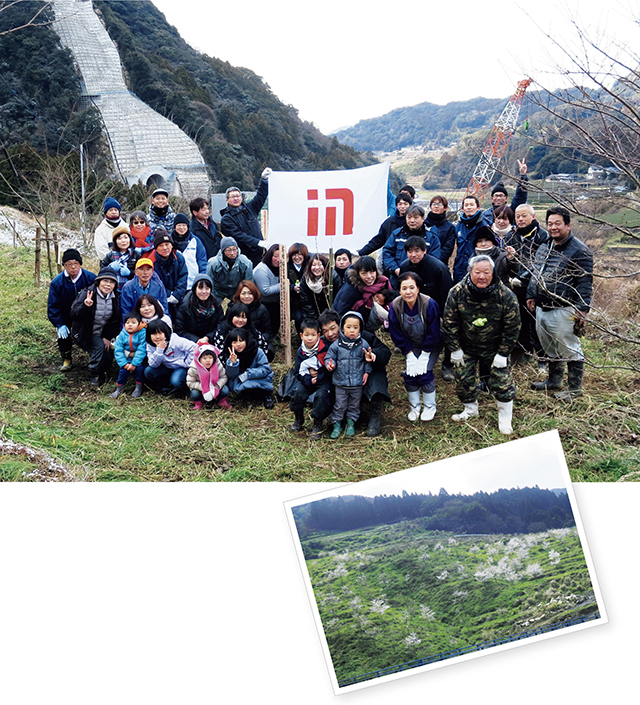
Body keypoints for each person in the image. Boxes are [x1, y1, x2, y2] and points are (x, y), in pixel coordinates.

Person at [442, 255, 521, 435]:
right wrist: (455, 349)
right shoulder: (457, 292)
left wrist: (503, 353)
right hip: (466, 347)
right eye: (477, 272)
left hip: (494, 348)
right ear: (470, 272)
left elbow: (513, 327)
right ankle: (470, 409)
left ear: (493, 273)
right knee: (463, 381)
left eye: (486, 272)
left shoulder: (506, 295)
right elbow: (449, 322)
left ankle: (505, 417)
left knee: (502, 383)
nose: (482, 276)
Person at [526, 206, 593, 400]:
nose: (553, 227)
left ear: (568, 225)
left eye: (558, 223)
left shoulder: (580, 251)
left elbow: (584, 283)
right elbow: (536, 273)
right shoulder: (545, 246)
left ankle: (574, 388)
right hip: (542, 306)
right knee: (550, 347)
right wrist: (532, 294)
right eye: (550, 224)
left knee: (569, 348)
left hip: (564, 307)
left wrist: (582, 310)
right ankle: (554, 381)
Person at [318, 308, 392, 438]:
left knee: (374, 384)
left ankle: (373, 416)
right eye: (325, 331)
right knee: (334, 400)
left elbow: (385, 351)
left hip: (360, 378)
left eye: (333, 328)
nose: (330, 334)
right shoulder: (328, 343)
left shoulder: (363, 338)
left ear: (339, 325)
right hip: (340, 381)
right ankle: (332, 422)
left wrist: (373, 356)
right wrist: (329, 366)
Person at [388, 272, 442, 421]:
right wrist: (409, 354)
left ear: (418, 288)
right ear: (399, 290)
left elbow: (435, 331)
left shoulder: (429, 304)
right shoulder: (396, 306)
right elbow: (396, 333)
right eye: (404, 288)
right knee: (410, 374)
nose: (408, 292)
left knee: (424, 372)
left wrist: (425, 354)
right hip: (411, 344)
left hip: (432, 344)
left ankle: (430, 406)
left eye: (412, 287)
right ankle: (415, 406)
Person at [504, 204, 550, 362]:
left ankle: (542, 357)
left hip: (536, 286)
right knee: (518, 321)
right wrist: (511, 260)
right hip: (514, 287)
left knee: (537, 324)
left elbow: (540, 263)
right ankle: (522, 354)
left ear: (533, 216)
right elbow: (507, 264)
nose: (520, 219)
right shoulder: (511, 236)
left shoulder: (543, 236)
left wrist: (522, 277)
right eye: (517, 216)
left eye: (524, 215)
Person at [324, 311, 375, 439]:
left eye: (355, 327)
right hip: (340, 382)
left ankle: (351, 424)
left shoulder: (363, 344)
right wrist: (330, 365)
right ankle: (337, 425)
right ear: (342, 328)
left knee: (354, 404)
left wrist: (367, 372)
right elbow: (329, 358)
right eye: (348, 327)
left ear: (360, 329)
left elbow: (367, 360)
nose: (352, 330)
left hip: (357, 382)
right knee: (339, 404)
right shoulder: (337, 345)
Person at [70, 268, 121, 386]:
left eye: (112, 282)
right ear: (98, 282)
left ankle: (105, 372)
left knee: (108, 351)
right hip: (85, 332)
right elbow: (73, 314)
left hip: (102, 332)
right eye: (105, 281)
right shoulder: (87, 294)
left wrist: (108, 336)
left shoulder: (116, 297)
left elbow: (116, 320)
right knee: (100, 347)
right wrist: (85, 306)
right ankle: (95, 373)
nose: (108, 285)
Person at [47, 248, 96, 371]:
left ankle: (92, 355)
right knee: (63, 336)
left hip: (85, 313)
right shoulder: (57, 282)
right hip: (66, 315)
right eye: (69, 264)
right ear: (64, 266)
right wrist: (59, 324)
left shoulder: (90, 278)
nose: (73, 267)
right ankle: (67, 358)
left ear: (80, 264)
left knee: (90, 333)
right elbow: (53, 306)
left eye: (76, 264)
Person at [219, 168, 272, 266]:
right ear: (227, 200)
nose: (236, 198)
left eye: (238, 196)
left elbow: (260, 196)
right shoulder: (227, 219)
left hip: (260, 255)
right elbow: (239, 236)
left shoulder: (250, 208)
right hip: (242, 259)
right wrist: (257, 242)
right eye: (233, 197)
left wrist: (264, 181)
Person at [382, 204, 442, 286]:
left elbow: (435, 259)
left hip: (423, 281)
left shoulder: (431, 238)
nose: (412, 220)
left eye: (416, 217)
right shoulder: (397, 235)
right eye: (409, 217)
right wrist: (395, 269)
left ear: (423, 219)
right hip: (398, 280)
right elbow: (387, 252)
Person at [289, 318, 330, 433]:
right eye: (307, 335)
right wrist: (308, 380)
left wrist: (318, 375)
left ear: (318, 334)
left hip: (323, 381)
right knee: (297, 393)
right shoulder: (301, 351)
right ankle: (298, 419)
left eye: (313, 334)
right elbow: (297, 372)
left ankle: (318, 423)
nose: (310, 338)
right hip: (307, 380)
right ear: (301, 336)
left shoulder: (324, 348)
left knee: (321, 396)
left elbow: (329, 368)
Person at [222, 328, 275, 408]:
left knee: (259, 388)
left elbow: (266, 369)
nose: (238, 344)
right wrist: (233, 363)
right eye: (235, 342)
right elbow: (231, 375)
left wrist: (248, 374)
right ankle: (244, 396)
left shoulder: (257, 351)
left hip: (257, 378)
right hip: (240, 381)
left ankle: (266, 397)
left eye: (241, 341)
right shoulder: (229, 354)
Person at [332, 256, 392, 326]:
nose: (369, 276)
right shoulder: (351, 290)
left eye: (372, 272)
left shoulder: (381, 283)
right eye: (364, 273)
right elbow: (340, 315)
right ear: (358, 274)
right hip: (349, 325)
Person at [144, 319, 197, 396]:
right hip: (167, 367)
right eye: (154, 334)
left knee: (176, 381)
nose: (158, 336)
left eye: (160, 333)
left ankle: (182, 390)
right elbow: (153, 364)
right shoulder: (150, 345)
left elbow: (194, 348)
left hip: (181, 367)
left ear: (165, 332)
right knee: (149, 371)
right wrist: (159, 350)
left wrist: (187, 363)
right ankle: (167, 387)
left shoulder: (176, 340)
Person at [357, 192, 413, 257]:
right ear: (397, 206)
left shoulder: (414, 223)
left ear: (410, 205)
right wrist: (361, 253)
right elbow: (378, 241)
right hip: (391, 258)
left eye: (405, 204)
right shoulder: (389, 222)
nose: (402, 206)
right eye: (400, 204)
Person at [174, 274, 224, 345]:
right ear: (195, 289)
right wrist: (197, 340)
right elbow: (180, 330)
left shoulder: (216, 305)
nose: (204, 291)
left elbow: (221, 326)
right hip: (190, 343)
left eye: (207, 288)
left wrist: (207, 337)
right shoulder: (185, 307)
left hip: (211, 341)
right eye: (200, 288)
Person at [149, 228, 188, 319]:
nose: (165, 248)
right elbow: (154, 282)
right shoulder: (151, 261)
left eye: (167, 244)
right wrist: (168, 293)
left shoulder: (178, 257)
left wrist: (177, 294)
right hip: (160, 297)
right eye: (161, 245)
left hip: (179, 295)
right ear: (156, 248)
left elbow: (183, 276)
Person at [120, 258, 169, 325]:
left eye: (148, 269)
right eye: (141, 269)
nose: (145, 272)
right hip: (136, 323)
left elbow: (164, 307)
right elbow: (125, 311)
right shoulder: (128, 287)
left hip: (155, 322)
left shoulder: (159, 286)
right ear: (136, 272)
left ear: (152, 272)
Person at [205, 236, 254, 303]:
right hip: (218, 289)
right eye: (228, 250)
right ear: (223, 251)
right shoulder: (213, 263)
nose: (232, 253)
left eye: (234, 249)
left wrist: (244, 295)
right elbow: (209, 281)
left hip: (236, 289)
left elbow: (248, 282)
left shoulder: (246, 262)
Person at [109, 312, 147, 399]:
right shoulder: (122, 334)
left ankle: (138, 387)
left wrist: (134, 364)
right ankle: (119, 389)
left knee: (140, 369)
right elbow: (118, 350)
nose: (130, 325)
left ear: (139, 323)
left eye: (133, 322)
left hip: (138, 360)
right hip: (126, 359)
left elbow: (142, 350)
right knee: (123, 372)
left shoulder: (143, 333)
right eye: (127, 322)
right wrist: (124, 364)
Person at [481, 159, 529, 227]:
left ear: (506, 198)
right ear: (492, 198)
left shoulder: (511, 211)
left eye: (501, 196)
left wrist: (523, 176)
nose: (498, 198)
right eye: (496, 196)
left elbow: (520, 197)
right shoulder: (485, 215)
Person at [186, 344, 231, 410]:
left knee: (225, 389)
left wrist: (217, 385)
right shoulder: (194, 369)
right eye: (204, 358)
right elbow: (190, 382)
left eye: (210, 358)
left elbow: (223, 377)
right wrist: (203, 387)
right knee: (194, 393)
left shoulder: (218, 365)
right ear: (199, 359)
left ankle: (222, 401)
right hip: (201, 389)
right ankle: (198, 403)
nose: (208, 360)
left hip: (215, 387)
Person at [453, 195, 485, 284]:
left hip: (477, 268)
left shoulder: (483, 225)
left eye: (471, 205)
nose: (469, 207)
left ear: (478, 207)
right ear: (463, 208)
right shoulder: (459, 226)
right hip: (459, 268)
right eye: (466, 205)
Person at [300, 253, 341, 321]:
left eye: (320, 265)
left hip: (330, 312)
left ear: (325, 266)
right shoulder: (305, 279)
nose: (317, 268)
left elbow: (338, 299)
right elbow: (305, 302)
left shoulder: (333, 277)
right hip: (312, 311)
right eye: (314, 265)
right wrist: (314, 320)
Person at [171, 213, 207, 289]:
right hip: (175, 283)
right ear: (174, 227)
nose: (181, 227)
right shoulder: (169, 242)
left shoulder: (195, 240)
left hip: (193, 282)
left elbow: (202, 260)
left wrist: (202, 277)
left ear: (188, 226)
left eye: (184, 225)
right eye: (179, 225)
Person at [232, 280, 272, 348]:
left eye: (250, 293)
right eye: (243, 293)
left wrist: (258, 341)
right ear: (239, 294)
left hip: (256, 340)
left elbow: (267, 331)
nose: (247, 296)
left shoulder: (262, 309)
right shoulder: (232, 308)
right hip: (236, 341)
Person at [253, 243, 281, 337]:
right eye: (275, 256)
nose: (278, 259)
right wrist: (284, 285)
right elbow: (265, 291)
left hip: (275, 301)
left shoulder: (281, 268)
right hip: (263, 302)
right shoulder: (261, 270)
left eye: (281, 256)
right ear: (269, 256)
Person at [100, 224, 139, 291]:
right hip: (113, 290)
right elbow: (101, 272)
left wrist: (129, 273)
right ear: (115, 241)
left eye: (126, 237)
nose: (123, 241)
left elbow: (140, 274)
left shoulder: (135, 255)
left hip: (131, 289)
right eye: (119, 238)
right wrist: (110, 269)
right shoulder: (110, 255)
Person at [426, 195, 456, 266]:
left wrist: (435, 261)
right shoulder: (423, 224)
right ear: (430, 207)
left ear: (445, 208)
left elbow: (448, 248)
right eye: (434, 204)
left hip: (440, 264)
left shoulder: (449, 227)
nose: (436, 206)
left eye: (439, 204)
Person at [287, 243, 310, 333]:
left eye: (300, 254)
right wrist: (292, 288)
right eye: (294, 255)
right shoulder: (286, 267)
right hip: (295, 301)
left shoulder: (309, 266)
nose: (297, 257)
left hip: (308, 300)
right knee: (298, 318)